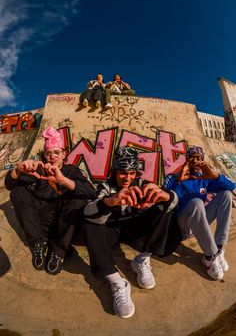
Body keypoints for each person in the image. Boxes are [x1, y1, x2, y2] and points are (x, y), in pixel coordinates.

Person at [81, 146, 178, 318]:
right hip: (111, 231)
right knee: (90, 222)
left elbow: (172, 202)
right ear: (115, 171)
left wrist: (167, 196)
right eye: (123, 173)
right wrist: (110, 202)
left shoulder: (143, 185)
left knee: (166, 208)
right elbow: (88, 212)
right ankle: (117, 282)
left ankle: (142, 260)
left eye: (132, 173)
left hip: (134, 229)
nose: (128, 177)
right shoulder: (105, 187)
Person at [5, 126, 96, 275]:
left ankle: (58, 250)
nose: (52, 156)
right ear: (44, 155)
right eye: (48, 153)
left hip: (64, 223)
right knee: (18, 191)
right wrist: (18, 170)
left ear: (63, 153)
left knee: (78, 199)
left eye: (56, 152)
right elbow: (9, 185)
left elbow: (91, 192)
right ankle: (38, 243)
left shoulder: (71, 171)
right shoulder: (37, 169)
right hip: (39, 222)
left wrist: (63, 180)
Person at [163, 145, 235, 281]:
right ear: (187, 160)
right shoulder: (175, 178)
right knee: (197, 202)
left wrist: (215, 175)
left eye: (199, 158)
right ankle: (210, 257)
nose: (196, 161)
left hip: (199, 224)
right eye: (192, 158)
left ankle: (218, 247)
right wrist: (180, 180)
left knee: (226, 195)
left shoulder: (203, 179)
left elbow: (231, 186)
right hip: (181, 226)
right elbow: (164, 196)